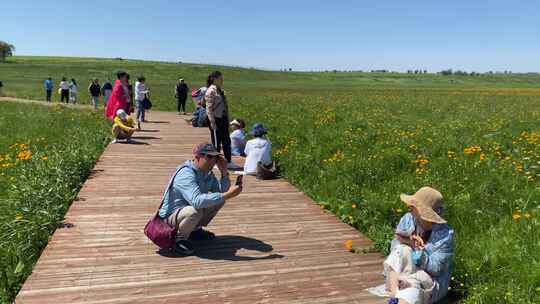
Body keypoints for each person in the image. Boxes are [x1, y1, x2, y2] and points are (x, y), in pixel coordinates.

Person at [158, 142, 243, 255]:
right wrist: (227, 195)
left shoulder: (207, 173)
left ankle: (194, 230)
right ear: (197, 157)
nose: (213, 160)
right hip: (169, 218)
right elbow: (197, 201)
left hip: (184, 213)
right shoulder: (186, 173)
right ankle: (177, 240)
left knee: (218, 200)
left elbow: (221, 193)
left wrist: (224, 174)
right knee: (195, 210)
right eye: (209, 156)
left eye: (216, 157)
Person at [384, 187, 454, 304]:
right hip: (403, 273)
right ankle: (394, 294)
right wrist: (409, 242)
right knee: (401, 249)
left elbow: (436, 269)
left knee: (412, 283)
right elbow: (394, 251)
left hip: (427, 279)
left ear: (422, 212)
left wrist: (419, 253)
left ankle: (397, 297)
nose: (410, 209)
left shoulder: (445, 235)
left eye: (413, 207)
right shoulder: (408, 219)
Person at [205, 71, 241, 170]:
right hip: (216, 119)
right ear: (214, 79)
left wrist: (228, 118)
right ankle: (216, 162)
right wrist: (212, 122)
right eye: (220, 78)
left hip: (223, 118)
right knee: (216, 142)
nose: (222, 80)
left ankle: (228, 161)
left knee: (226, 141)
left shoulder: (219, 90)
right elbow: (208, 108)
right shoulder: (211, 91)